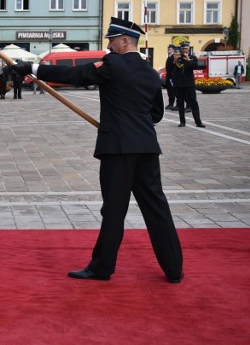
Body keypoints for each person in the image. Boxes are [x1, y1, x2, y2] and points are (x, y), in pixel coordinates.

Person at [13, 17, 184, 283]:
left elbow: (76, 75)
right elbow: (157, 114)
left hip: (117, 150)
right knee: (157, 208)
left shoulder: (113, 64)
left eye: (112, 40)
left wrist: (33, 68)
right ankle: (174, 269)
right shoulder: (150, 73)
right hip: (147, 148)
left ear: (125, 41)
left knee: (114, 210)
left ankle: (102, 267)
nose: (109, 45)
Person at [172, 42, 204, 128]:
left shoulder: (192, 58)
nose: (185, 50)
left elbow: (195, 66)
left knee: (194, 103)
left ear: (189, 49)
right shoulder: (178, 57)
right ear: (181, 49)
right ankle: (182, 121)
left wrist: (187, 60)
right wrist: (175, 60)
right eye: (183, 49)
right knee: (180, 104)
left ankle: (198, 122)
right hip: (179, 84)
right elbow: (171, 68)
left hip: (189, 84)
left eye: (186, 48)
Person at [164, 45, 177, 110]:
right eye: (168, 48)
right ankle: (170, 103)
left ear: (173, 50)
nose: (168, 50)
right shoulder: (169, 57)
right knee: (169, 90)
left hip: (172, 76)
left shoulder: (173, 57)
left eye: (170, 49)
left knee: (172, 90)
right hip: (169, 75)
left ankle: (172, 103)